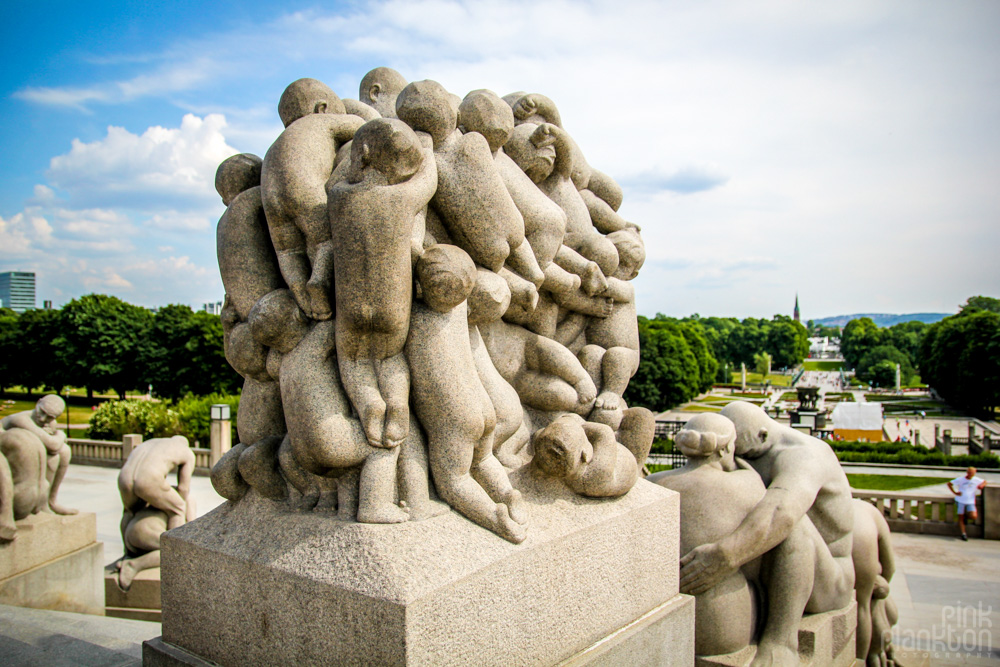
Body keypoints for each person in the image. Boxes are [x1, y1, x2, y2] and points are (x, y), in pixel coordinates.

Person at [328, 117, 436, 450]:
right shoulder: (401, 199)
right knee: (390, 358)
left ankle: (369, 405)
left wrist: (355, 157)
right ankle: (397, 404)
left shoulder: (339, 198)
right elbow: (428, 179)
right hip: (392, 306)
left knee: (353, 360)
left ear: (360, 155)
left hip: (350, 308)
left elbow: (336, 178)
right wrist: (427, 146)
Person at [948, 467, 986, 541]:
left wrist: (982, 485)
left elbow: (984, 481)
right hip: (960, 500)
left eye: (972, 473)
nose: (970, 474)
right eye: (969, 472)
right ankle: (963, 534)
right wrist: (955, 492)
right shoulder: (961, 479)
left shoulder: (976, 480)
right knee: (960, 517)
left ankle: (966, 517)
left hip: (970, 501)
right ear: (967, 472)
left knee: (973, 516)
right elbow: (949, 484)